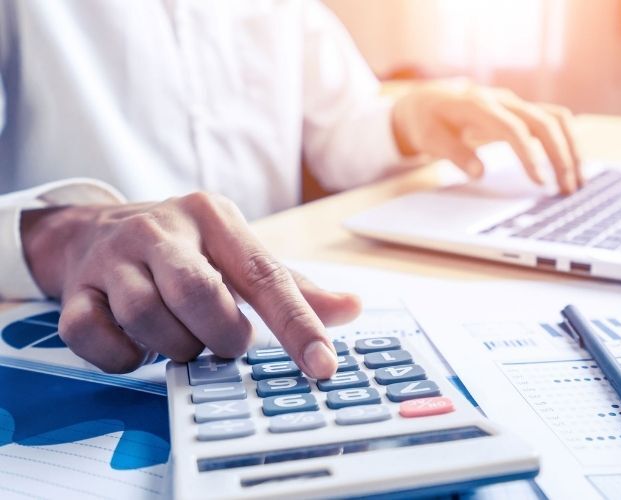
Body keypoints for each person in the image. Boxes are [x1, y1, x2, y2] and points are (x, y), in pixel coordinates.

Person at [0, 1, 582, 379]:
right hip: (78, 338)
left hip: (264, 330)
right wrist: (60, 234)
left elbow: (340, 132)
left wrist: (408, 118)